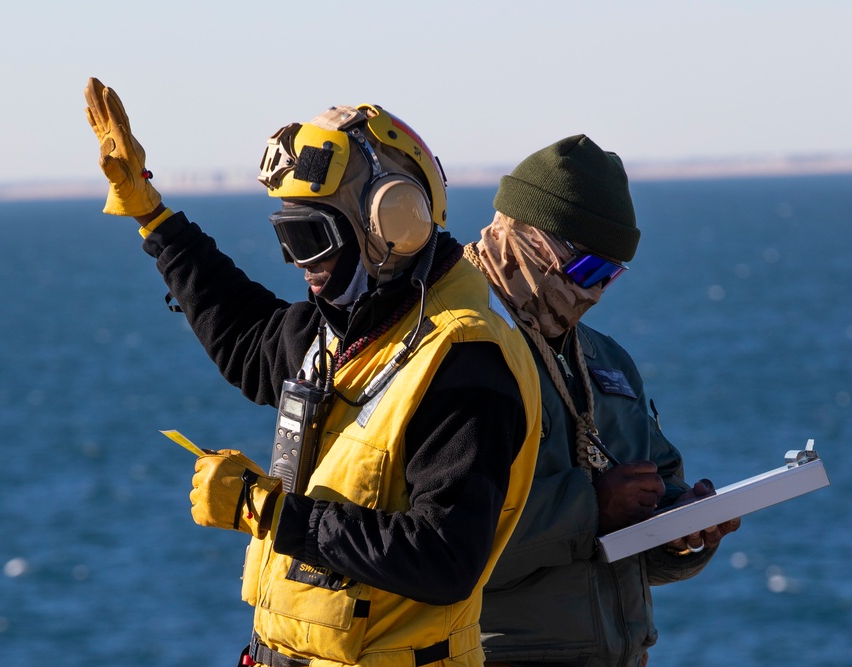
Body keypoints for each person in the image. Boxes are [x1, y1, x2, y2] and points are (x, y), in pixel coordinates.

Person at [83, 77, 541, 667]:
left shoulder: (462, 360)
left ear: (392, 224)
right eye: (287, 238)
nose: (301, 265)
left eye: (312, 238)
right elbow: (246, 337)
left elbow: (445, 557)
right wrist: (152, 216)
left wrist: (267, 511)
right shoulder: (351, 328)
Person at [462, 135, 741, 667]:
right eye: (587, 270)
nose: (593, 293)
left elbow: (642, 514)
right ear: (525, 238)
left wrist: (679, 530)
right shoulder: (452, 350)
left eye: (610, 276)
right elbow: (432, 543)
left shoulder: (602, 359)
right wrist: (592, 509)